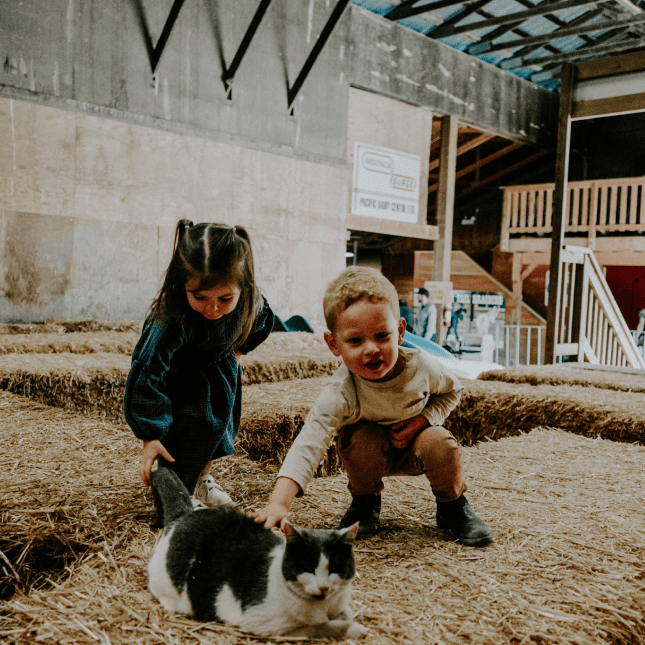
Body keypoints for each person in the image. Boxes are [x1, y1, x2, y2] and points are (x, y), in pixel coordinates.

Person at [251, 266, 493, 547]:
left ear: (400, 331)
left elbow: (453, 392)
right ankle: (365, 503)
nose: (371, 349)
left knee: (439, 440)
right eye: (355, 340)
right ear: (334, 344)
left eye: (382, 336)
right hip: (368, 457)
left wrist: (424, 419)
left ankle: (452, 506)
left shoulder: (423, 367)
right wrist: (279, 504)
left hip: (416, 448)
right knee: (360, 436)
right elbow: (309, 442)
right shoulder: (340, 391)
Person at [124, 219, 274, 509]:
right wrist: (150, 434)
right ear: (183, 285)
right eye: (199, 296)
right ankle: (175, 493)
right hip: (180, 378)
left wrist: (238, 353)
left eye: (225, 298)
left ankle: (201, 482)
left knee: (214, 431)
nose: (213, 307)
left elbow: (263, 320)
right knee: (187, 433)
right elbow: (147, 372)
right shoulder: (170, 319)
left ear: (242, 288)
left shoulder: (250, 302)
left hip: (218, 374)